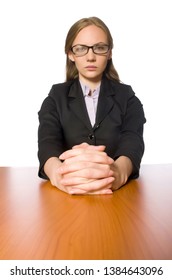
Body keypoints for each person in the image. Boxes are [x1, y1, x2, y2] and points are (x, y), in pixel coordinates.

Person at [38, 16, 146, 195]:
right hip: (68, 196)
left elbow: (133, 143)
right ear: (70, 54)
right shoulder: (55, 97)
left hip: (116, 196)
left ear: (109, 52)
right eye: (81, 49)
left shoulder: (127, 97)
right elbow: (47, 144)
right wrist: (61, 176)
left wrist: (117, 174)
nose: (90, 57)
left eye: (100, 48)